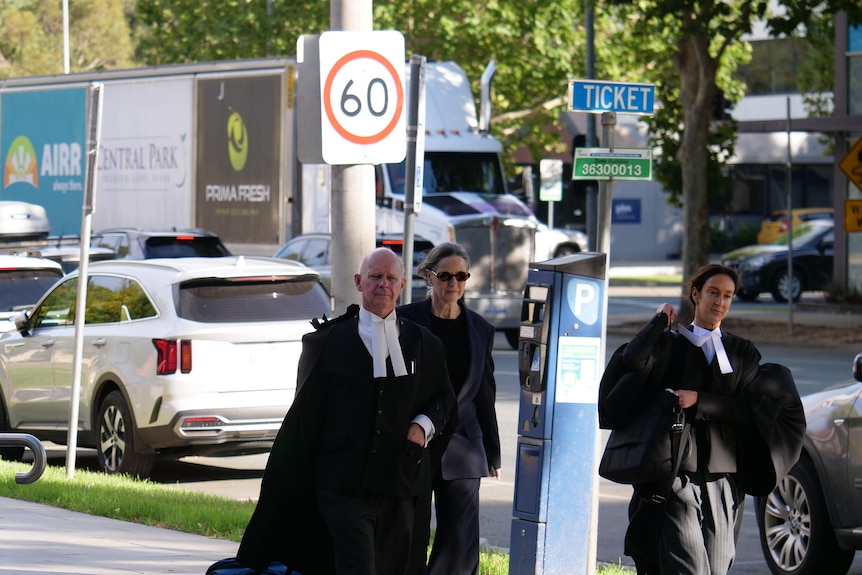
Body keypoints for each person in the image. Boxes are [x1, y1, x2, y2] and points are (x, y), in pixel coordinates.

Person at [235, 247, 458, 575]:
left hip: (400, 484)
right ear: (358, 281)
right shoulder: (326, 342)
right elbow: (305, 419)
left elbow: (444, 402)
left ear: (402, 285)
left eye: (391, 278)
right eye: (375, 277)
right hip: (343, 486)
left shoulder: (425, 345)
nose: (383, 284)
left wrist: (421, 427)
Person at [598, 263, 804, 575]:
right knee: (690, 568)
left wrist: (700, 401)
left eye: (728, 296)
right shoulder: (669, 344)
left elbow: (750, 410)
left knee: (718, 568)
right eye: (713, 293)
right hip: (674, 477)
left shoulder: (741, 352)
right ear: (696, 294)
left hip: (723, 480)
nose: (720, 302)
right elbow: (631, 361)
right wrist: (655, 324)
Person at [399, 242, 501, 575]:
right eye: (445, 275)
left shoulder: (480, 330)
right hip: (413, 442)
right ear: (430, 277)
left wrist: (492, 452)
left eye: (461, 276)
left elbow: (484, 392)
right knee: (408, 531)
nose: (453, 283)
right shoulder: (405, 320)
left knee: (459, 539)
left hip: (464, 446)